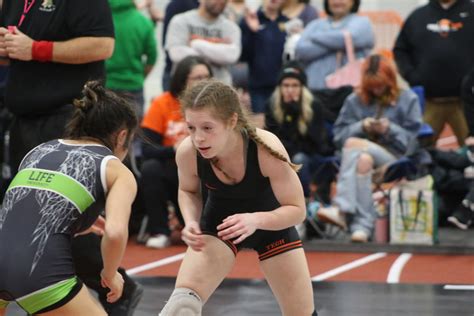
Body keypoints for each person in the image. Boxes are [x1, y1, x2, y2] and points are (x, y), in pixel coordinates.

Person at [0, 1, 144, 314]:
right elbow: (117, 232)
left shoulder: (40, 152)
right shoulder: (118, 170)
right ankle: (115, 286)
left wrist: (36, 49)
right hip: (39, 278)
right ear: (123, 137)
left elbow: (103, 44)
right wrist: (110, 274)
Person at [159, 79, 316, 315]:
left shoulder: (264, 148)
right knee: (182, 307)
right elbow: (188, 191)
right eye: (191, 128)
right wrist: (191, 221)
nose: (198, 138)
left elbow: (297, 210)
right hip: (220, 226)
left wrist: (255, 220)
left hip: (271, 227)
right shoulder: (188, 152)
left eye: (207, 128)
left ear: (232, 121)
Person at [317, 54, 422, 242]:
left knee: (352, 144)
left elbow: (413, 142)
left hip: (392, 157)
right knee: (363, 161)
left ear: (390, 80)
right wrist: (361, 126)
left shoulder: (408, 99)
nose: (377, 89)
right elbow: (338, 137)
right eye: (372, 85)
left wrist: (389, 129)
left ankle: (342, 208)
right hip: (358, 159)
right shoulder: (354, 100)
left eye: (380, 84)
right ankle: (363, 227)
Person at [140, 56, 213, 249]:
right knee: (150, 168)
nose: (203, 82)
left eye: (207, 77)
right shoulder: (163, 103)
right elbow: (147, 148)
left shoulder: (216, 107)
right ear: (182, 80)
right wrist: (175, 148)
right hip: (173, 169)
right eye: (197, 78)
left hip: (208, 169)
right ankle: (159, 231)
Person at [393, 0, 474, 146]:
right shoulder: (418, 16)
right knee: (417, 150)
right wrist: (412, 76)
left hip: (467, 104)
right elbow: (400, 50)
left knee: (471, 151)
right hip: (429, 101)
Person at [265, 61, 333, 198]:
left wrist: (295, 115)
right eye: (286, 85)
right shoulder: (272, 105)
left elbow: (316, 143)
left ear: (302, 87)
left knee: (299, 158)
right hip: (281, 155)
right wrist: (289, 117)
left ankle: (303, 200)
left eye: (295, 85)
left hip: (311, 156)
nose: (290, 90)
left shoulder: (314, 106)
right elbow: (273, 139)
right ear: (280, 87)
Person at [295, 0, 374, 91]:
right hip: (315, 90)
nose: (337, 2)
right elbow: (301, 50)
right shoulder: (315, 25)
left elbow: (353, 37)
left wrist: (315, 37)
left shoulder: (362, 23)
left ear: (353, 2)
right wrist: (337, 41)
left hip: (349, 90)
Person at [165, 0, 241, 85]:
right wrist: (218, 54)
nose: (221, 1)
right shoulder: (180, 21)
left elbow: (232, 56)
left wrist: (197, 44)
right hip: (184, 89)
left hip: (220, 88)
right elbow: (176, 53)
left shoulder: (231, 27)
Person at [106, 0, 158, 120]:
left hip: (105, 83)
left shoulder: (101, 20)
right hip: (133, 85)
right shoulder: (143, 22)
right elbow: (152, 57)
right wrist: (140, 76)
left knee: (103, 131)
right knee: (133, 132)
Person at [240, 0, 289, 127]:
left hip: (283, 87)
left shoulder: (289, 22)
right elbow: (242, 55)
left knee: (282, 127)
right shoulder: (250, 19)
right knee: (260, 130)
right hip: (258, 87)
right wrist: (252, 31)